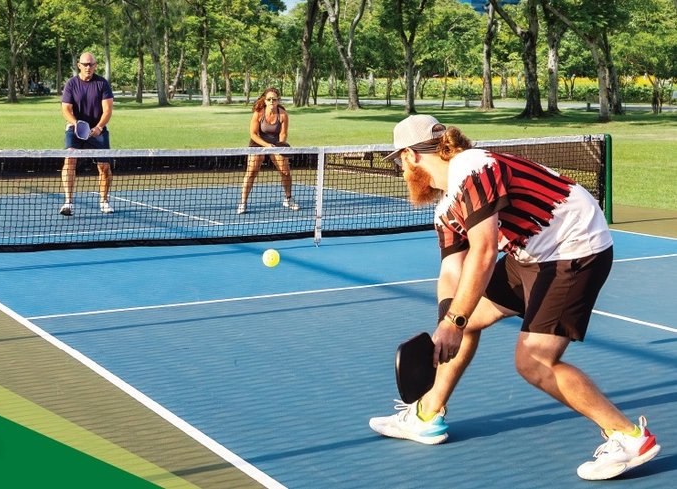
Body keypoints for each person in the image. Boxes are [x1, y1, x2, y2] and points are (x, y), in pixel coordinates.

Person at [369, 115, 660, 480]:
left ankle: (630, 438)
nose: (401, 170)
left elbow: (485, 251)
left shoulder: (472, 168)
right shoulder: (446, 208)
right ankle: (427, 416)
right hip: (533, 254)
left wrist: (454, 322)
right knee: (466, 316)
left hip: (574, 249)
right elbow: (451, 272)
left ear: (411, 156)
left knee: (534, 361)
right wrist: (450, 319)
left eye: (399, 162)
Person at [59, 52, 114, 216]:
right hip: (75, 129)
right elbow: (66, 110)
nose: (88, 67)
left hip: (97, 130)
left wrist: (98, 128)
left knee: (104, 167)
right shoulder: (71, 84)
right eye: (85, 64)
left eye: (91, 64)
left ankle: (104, 201)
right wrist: (77, 124)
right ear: (79, 65)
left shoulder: (102, 84)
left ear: (95, 66)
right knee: (69, 160)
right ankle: (68, 203)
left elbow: (108, 110)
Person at [237, 87, 300, 215]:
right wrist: (266, 145)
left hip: (275, 144)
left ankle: (288, 199)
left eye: (274, 99)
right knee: (251, 172)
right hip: (258, 143)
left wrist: (280, 145)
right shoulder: (258, 113)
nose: (272, 102)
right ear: (264, 100)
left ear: (278, 100)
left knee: (285, 172)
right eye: (269, 99)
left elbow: (283, 133)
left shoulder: (282, 114)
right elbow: (253, 134)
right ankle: (243, 203)